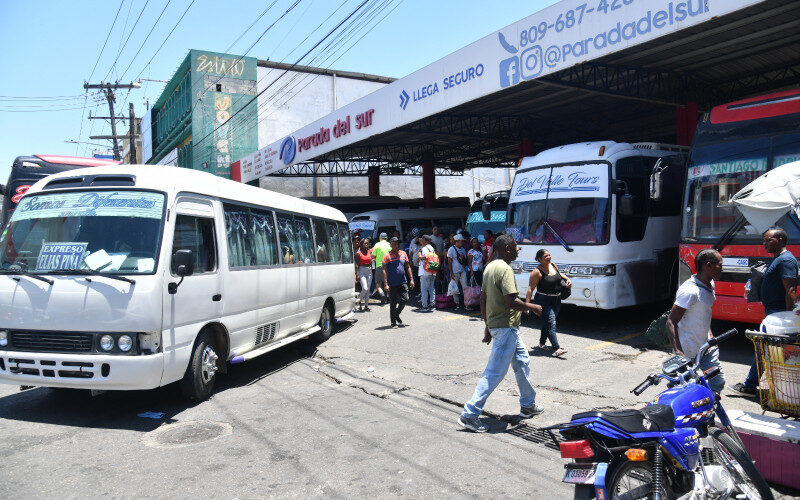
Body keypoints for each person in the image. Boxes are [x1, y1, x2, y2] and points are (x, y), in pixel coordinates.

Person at [459, 234, 544, 432]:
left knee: (522, 362)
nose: (518, 250)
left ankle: (528, 404)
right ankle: (470, 413)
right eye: (515, 247)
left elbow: (483, 299)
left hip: (505, 327)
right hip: (505, 328)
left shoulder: (490, 267)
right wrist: (532, 307)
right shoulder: (504, 269)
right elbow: (511, 302)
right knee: (494, 372)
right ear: (507, 248)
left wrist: (487, 326)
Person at [733, 228, 798, 395]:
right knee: (766, 349)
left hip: (779, 313)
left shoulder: (786, 261)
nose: (764, 244)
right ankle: (759, 385)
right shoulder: (779, 259)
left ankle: (750, 385)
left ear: (781, 240)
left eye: (768, 240)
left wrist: (788, 316)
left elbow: (790, 289)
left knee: (763, 349)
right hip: (774, 311)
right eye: (764, 240)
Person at [666, 248, 726, 394]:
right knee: (682, 389)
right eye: (720, 265)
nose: (722, 269)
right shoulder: (690, 291)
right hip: (688, 350)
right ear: (708, 265)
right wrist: (679, 352)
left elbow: (704, 313)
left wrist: (709, 333)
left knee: (717, 382)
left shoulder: (710, 285)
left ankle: (709, 409)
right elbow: (671, 322)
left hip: (706, 347)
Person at [526, 249, 570, 357]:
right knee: (551, 323)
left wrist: (567, 278)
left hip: (556, 300)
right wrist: (527, 305)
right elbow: (530, 289)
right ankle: (557, 348)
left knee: (547, 322)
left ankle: (542, 343)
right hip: (543, 300)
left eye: (549, 255)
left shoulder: (553, 265)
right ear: (539, 259)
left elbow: (559, 274)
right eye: (546, 256)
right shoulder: (536, 272)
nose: (549, 257)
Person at [382, 237, 415, 327]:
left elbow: (408, 267)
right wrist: (385, 284)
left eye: (398, 244)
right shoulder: (387, 256)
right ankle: (393, 321)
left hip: (402, 281)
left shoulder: (403, 253)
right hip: (392, 283)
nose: (397, 245)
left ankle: (396, 314)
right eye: (395, 244)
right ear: (391, 245)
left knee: (405, 299)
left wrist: (411, 279)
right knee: (393, 303)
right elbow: (384, 270)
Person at [447, 234, 470, 309]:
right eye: (461, 241)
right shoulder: (451, 249)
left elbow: (465, 261)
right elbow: (449, 262)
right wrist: (451, 273)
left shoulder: (463, 249)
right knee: (455, 289)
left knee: (465, 288)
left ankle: (467, 304)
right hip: (455, 272)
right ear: (457, 241)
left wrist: (463, 258)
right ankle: (457, 304)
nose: (462, 243)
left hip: (462, 271)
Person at [417, 235, 437, 311]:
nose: (421, 240)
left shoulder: (425, 248)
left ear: (425, 240)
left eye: (422, 239)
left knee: (424, 289)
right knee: (431, 288)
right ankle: (432, 304)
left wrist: (419, 255)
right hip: (432, 271)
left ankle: (424, 305)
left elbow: (425, 257)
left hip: (425, 271)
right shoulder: (431, 248)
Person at [372, 233, 392, 305]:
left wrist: (375, 260)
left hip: (379, 265)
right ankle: (388, 297)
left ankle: (382, 294)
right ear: (386, 238)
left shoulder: (377, 245)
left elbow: (373, 256)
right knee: (387, 282)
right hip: (389, 266)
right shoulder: (390, 244)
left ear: (380, 238)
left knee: (378, 283)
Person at [354, 239, 373, 311]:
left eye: (367, 244)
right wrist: (357, 274)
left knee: (368, 289)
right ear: (361, 244)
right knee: (364, 288)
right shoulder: (358, 253)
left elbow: (371, 260)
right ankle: (358, 301)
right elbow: (357, 265)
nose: (366, 245)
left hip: (369, 270)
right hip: (362, 270)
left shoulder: (369, 252)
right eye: (365, 243)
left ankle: (366, 306)